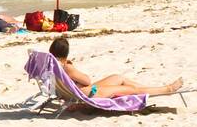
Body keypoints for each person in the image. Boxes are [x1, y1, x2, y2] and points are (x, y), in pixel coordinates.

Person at [49, 37, 181, 98]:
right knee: (131, 90)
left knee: (118, 78)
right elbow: (87, 81)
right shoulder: (66, 67)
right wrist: (71, 66)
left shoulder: (50, 65)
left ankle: (150, 90)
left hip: (82, 92)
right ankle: (167, 89)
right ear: (65, 53)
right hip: (89, 94)